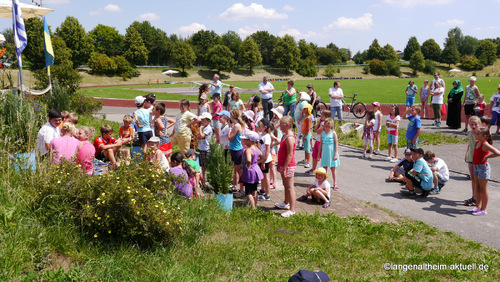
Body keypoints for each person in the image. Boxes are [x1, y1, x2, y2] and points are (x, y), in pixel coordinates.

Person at [469, 128, 500, 216]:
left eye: (478, 134)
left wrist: (487, 157)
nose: (475, 135)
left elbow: (498, 152)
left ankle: (483, 209)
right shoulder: (476, 142)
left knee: (483, 189)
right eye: (476, 133)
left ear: (484, 136)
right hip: (476, 166)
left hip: (483, 168)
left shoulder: (485, 144)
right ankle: (477, 207)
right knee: (477, 187)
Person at [275, 116, 297, 218]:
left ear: (287, 125)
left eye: (281, 123)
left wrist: (285, 167)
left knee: (290, 187)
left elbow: (290, 154)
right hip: (283, 164)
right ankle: (286, 202)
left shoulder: (290, 138)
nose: (279, 125)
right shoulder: (284, 135)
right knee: (285, 184)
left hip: (288, 166)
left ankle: (292, 210)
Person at [240, 131, 264, 209]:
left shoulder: (248, 150)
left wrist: (248, 165)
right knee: (254, 189)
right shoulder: (257, 149)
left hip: (250, 172)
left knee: (248, 192)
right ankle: (255, 205)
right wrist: (257, 162)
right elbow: (263, 157)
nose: (243, 141)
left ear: (249, 140)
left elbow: (249, 160)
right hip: (256, 171)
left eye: (244, 139)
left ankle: (253, 208)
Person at [228, 109, 247, 197]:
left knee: (240, 171)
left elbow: (230, 138)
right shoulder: (236, 125)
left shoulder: (236, 126)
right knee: (236, 169)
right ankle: (236, 186)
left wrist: (229, 128)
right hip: (234, 149)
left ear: (232, 116)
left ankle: (242, 190)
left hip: (237, 150)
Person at [464, 116, 481, 207]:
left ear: (479, 124)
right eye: (471, 124)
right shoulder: (469, 133)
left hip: (478, 158)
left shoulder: (480, 134)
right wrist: (466, 153)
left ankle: (477, 198)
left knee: (478, 179)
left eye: (475, 124)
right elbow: (470, 144)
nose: (473, 126)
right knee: (473, 179)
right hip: (471, 157)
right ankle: (474, 196)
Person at [318, 118, 340, 190]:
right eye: (326, 126)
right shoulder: (322, 134)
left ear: (331, 127)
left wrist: (335, 154)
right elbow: (320, 144)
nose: (327, 128)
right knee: (324, 169)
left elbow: (336, 144)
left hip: (332, 153)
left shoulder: (333, 133)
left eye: (329, 127)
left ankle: (335, 183)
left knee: (333, 168)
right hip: (325, 154)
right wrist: (319, 154)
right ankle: (324, 182)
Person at [307, 110, 331, 174]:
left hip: (321, 142)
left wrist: (320, 124)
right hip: (317, 141)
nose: (321, 116)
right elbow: (315, 129)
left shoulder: (325, 124)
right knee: (314, 155)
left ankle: (323, 171)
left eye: (323, 115)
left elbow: (318, 131)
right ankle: (313, 169)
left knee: (322, 156)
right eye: (321, 114)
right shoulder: (321, 122)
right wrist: (318, 121)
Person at [257, 118, 273, 201]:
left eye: (260, 126)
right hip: (261, 158)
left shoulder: (267, 137)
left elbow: (267, 150)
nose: (258, 127)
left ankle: (267, 194)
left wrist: (263, 161)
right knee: (262, 176)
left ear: (265, 127)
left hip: (265, 159)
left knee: (265, 176)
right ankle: (262, 190)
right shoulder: (260, 135)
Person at [197, 112, 213, 189]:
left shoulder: (208, 128)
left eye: (203, 120)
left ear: (208, 121)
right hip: (201, 148)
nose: (202, 122)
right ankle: (203, 182)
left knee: (204, 166)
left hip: (205, 149)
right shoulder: (204, 128)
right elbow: (198, 136)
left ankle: (205, 182)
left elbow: (201, 136)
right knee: (202, 166)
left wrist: (200, 129)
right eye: (201, 120)